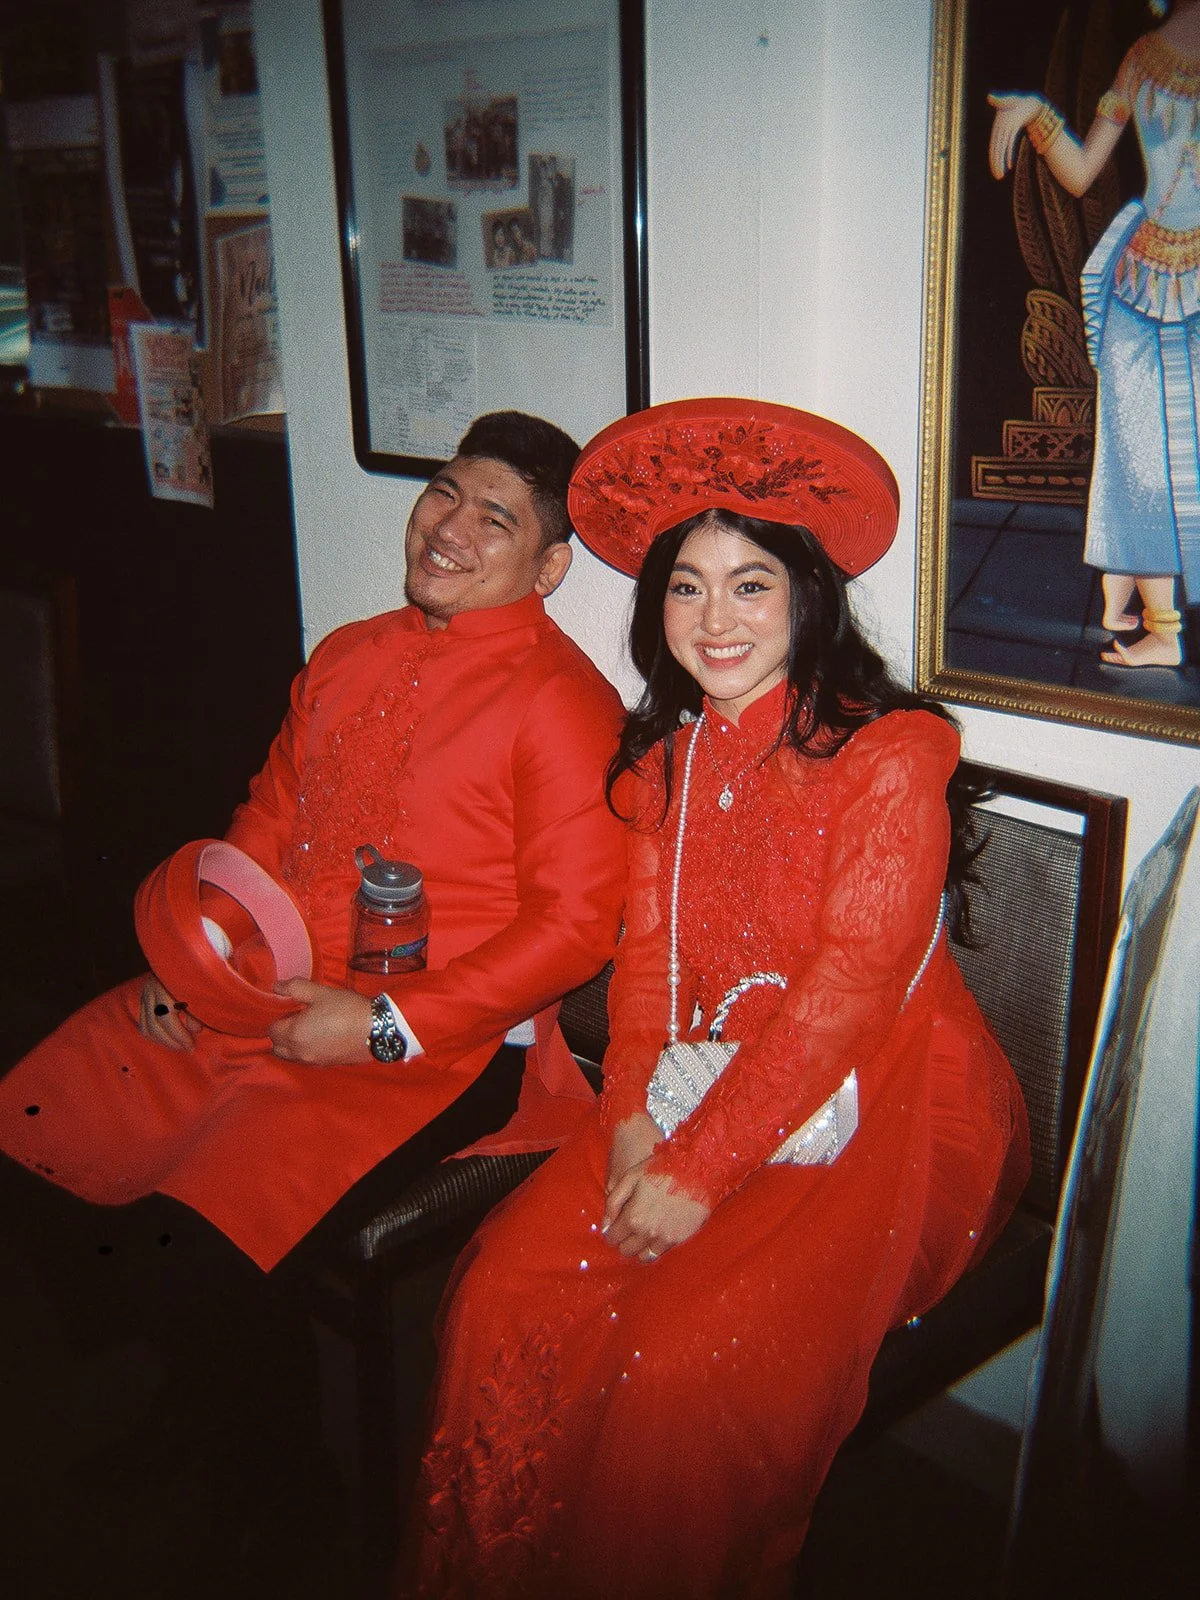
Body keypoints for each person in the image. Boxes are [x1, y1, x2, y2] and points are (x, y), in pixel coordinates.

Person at [398, 398, 1032, 1600]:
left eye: (750, 584)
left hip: (874, 1095)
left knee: (675, 1366)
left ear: (806, 592)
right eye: (687, 587)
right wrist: (631, 1116)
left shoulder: (894, 756)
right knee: (499, 1296)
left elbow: (846, 994)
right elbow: (646, 970)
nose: (715, 617)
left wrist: (694, 1175)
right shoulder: (665, 762)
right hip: (686, 1071)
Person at [0, 409, 625, 1590]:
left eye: (497, 518)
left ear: (548, 567)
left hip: (440, 1047)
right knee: (40, 1123)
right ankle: (205, 1397)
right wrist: (204, 963)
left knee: (192, 1243)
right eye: (447, 492)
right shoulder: (344, 652)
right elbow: (267, 822)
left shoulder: (563, 704)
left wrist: (379, 1022)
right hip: (268, 991)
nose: (451, 526)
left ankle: (282, 1486)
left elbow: (573, 932)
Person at [989, 0, 1200, 669]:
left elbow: (1080, 173)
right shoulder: (1140, 58)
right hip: (1144, 281)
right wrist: (1035, 114)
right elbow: (1082, 177)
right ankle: (1160, 625)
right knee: (1142, 459)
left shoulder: (1143, 58)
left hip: (1152, 279)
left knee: (1147, 461)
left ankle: (1155, 620)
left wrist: (1037, 117)